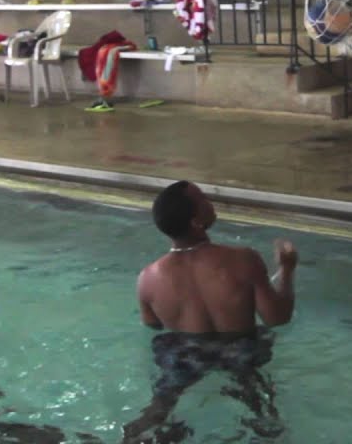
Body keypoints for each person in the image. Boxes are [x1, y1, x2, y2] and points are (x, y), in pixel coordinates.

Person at [124, 180, 298, 442]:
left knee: (159, 407)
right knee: (261, 409)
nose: (210, 202)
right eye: (204, 199)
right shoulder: (244, 259)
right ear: (196, 221)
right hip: (240, 347)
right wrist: (287, 269)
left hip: (186, 351)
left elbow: (152, 324)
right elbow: (278, 318)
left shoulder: (147, 278)